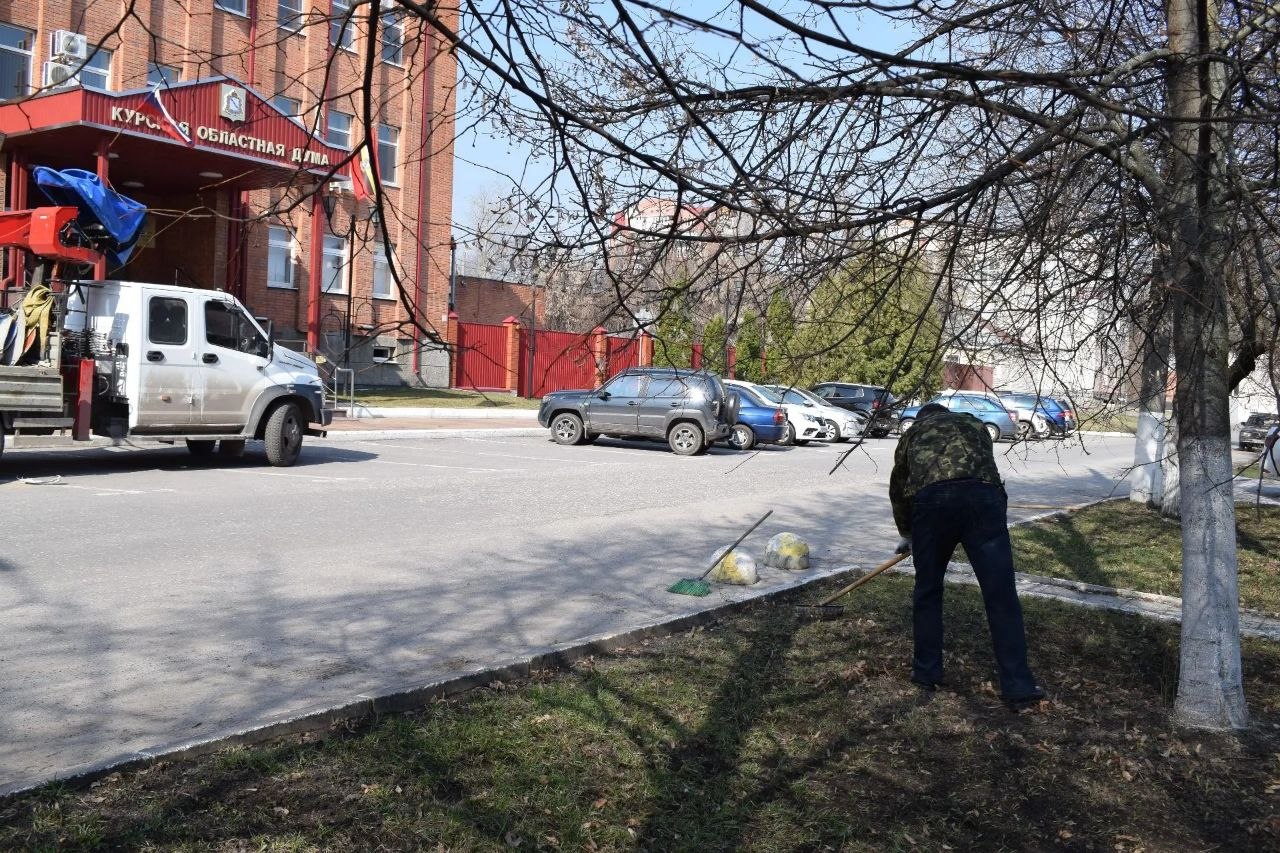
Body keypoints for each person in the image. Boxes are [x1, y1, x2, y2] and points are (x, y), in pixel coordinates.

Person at [889, 402, 1044, 708]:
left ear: (923, 419)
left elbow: (899, 488)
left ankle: (926, 673)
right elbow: (986, 467)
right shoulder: (973, 424)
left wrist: (908, 535)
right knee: (1001, 594)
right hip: (984, 501)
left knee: (928, 591)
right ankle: (1018, 686)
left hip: (933, 503)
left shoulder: (913, 432)